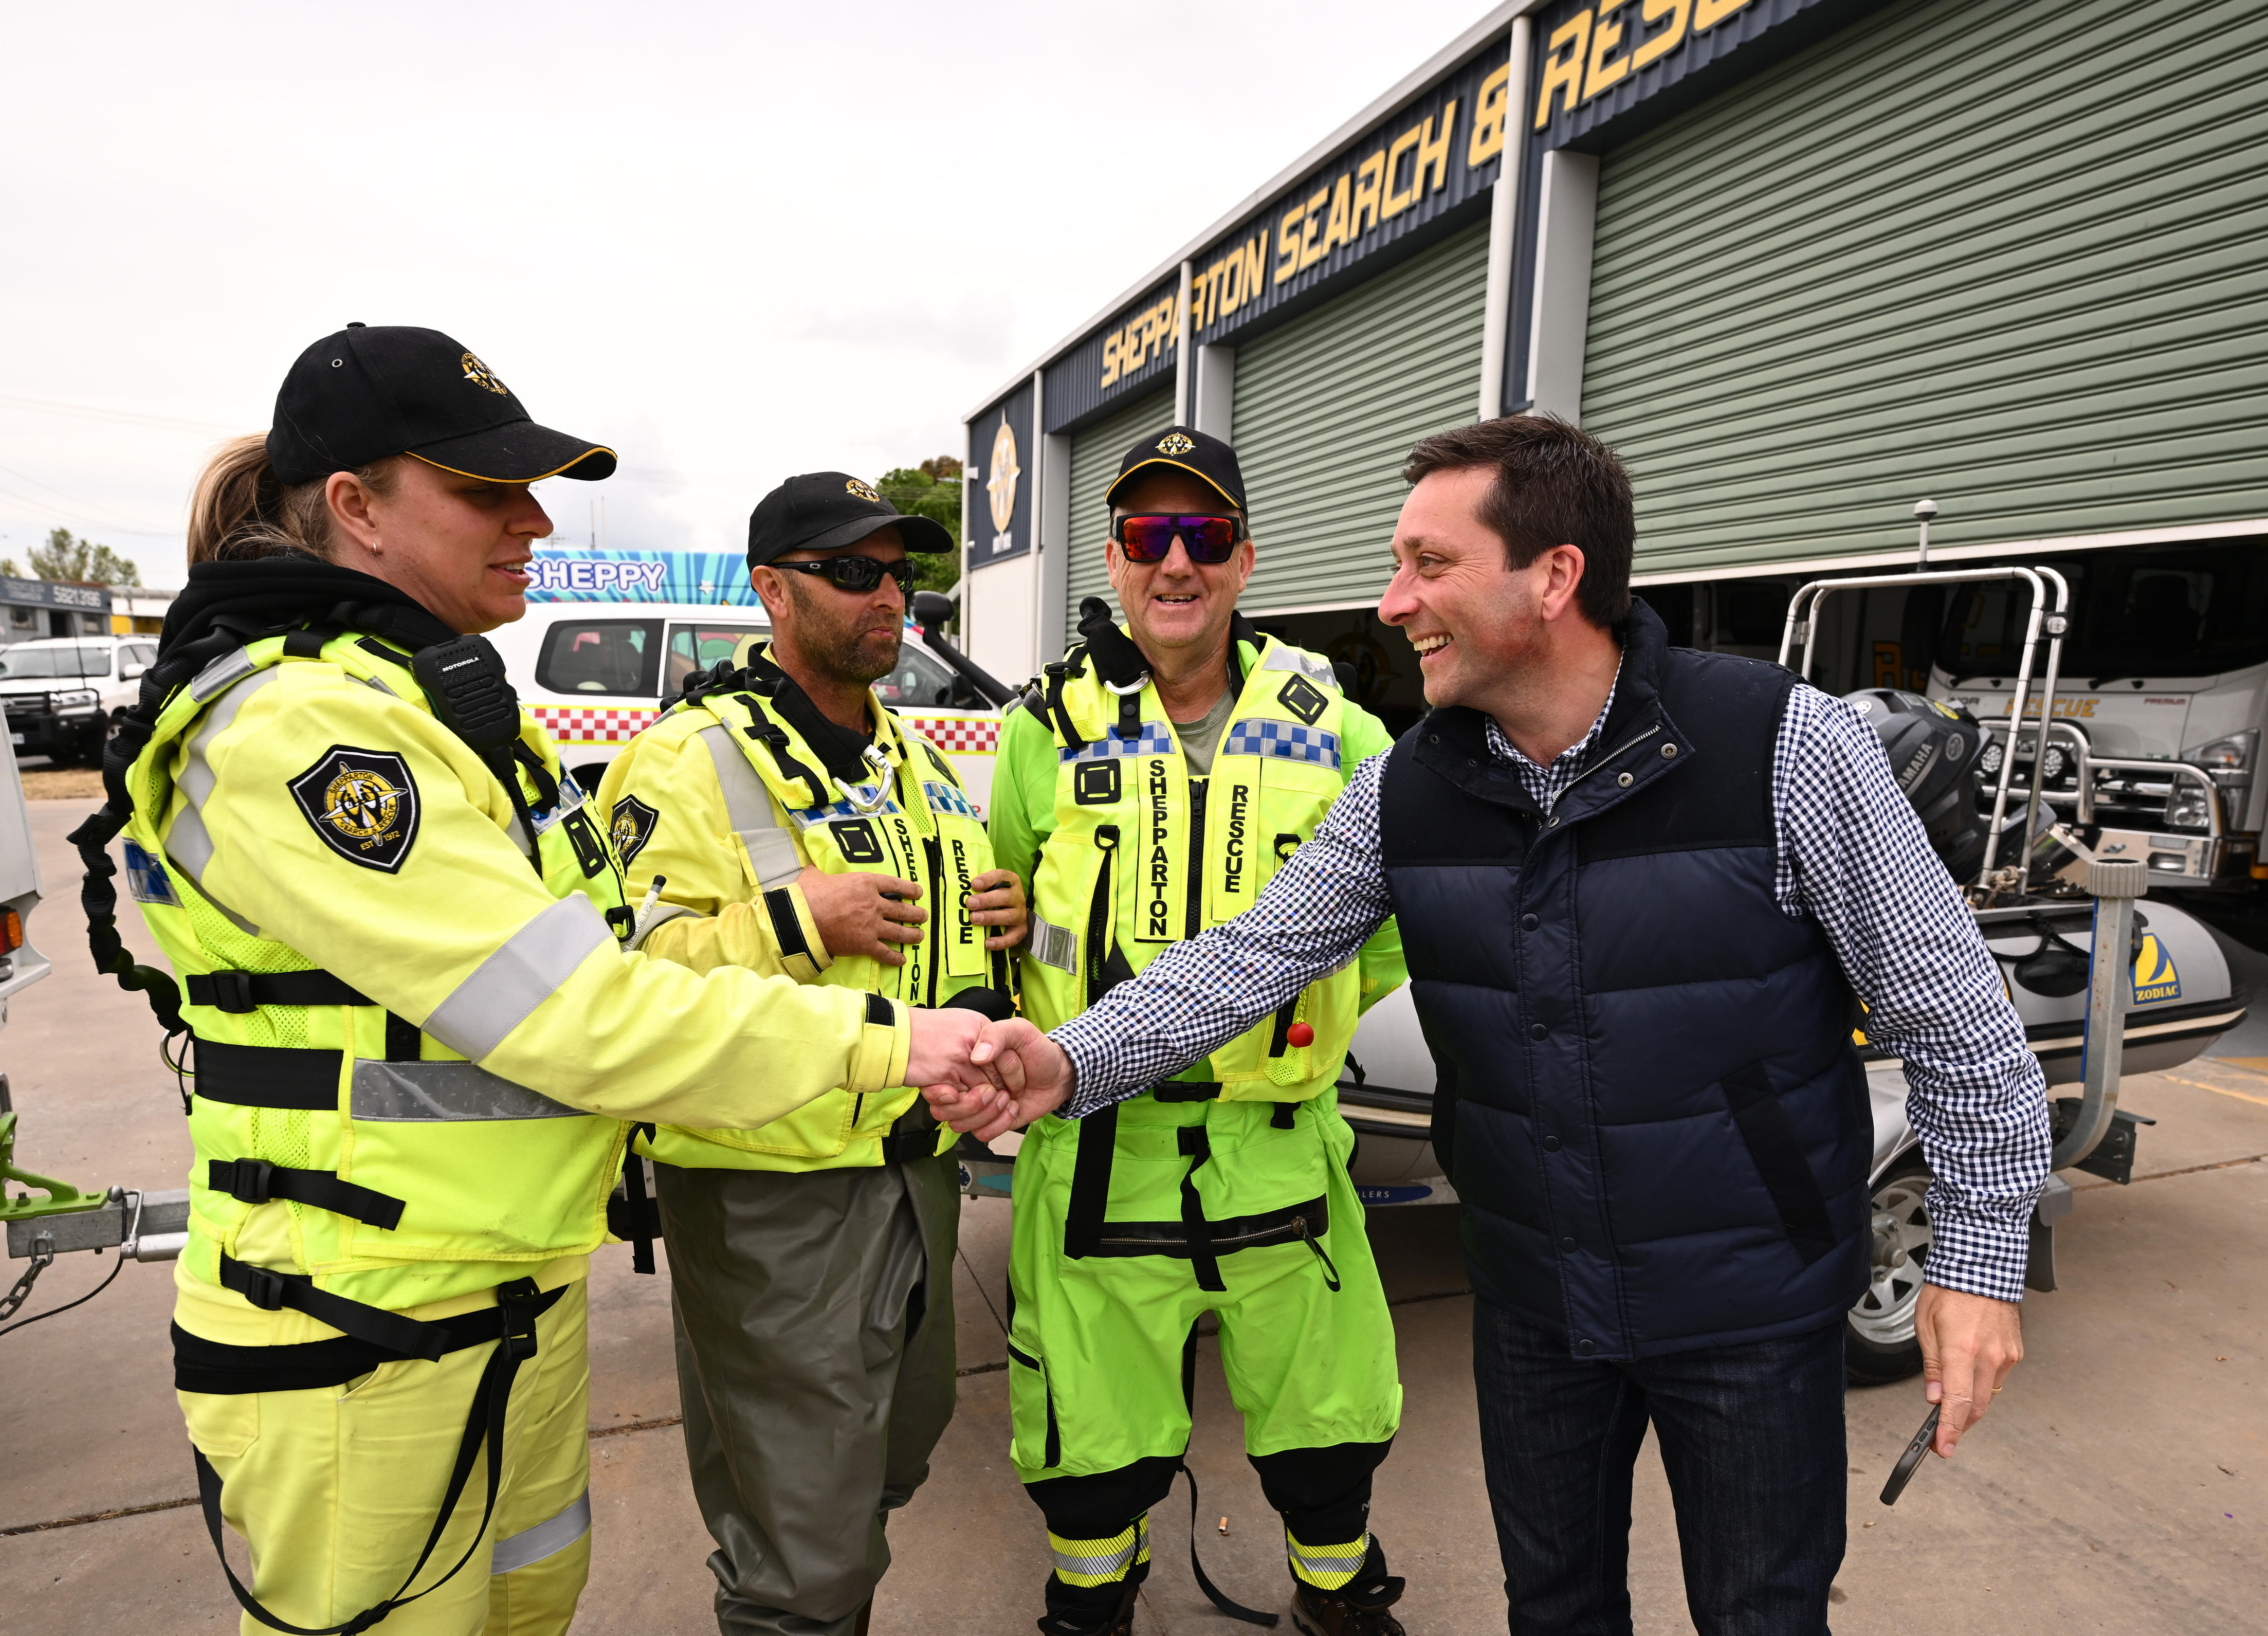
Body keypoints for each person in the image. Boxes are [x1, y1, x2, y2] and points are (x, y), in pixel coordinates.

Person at [953, 413, 2051, 1636]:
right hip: (1534, 1297)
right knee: (1556, 1607)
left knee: (1760, 1612)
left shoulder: (1782, 745)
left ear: (1554, 575)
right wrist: (1063, 1058)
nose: (1389, 602)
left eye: (1427, 565)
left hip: (1744, 1296)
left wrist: (1977, 1258)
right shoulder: (1409, 784)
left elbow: (1957, 1017)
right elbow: (1249, 957)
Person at [72, 325, 1005, 1636]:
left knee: (528, 1608)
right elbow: (580, 1009)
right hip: (359, 1320)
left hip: (499, 1289)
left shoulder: (433, 703)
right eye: (483, 490)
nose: (534, 519)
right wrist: (889, 1042)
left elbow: (602, 956)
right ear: (356, 509)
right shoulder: (305, 727)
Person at [985, 426, 1408, 1636]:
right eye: (1147, 537)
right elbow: (1003, 907)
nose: (1176, 564)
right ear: (1114, 561)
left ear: (1244, 559)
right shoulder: (1041, 728)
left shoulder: (1336, 724)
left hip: (1278, 1138)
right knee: (1086, 1427)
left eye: (1204, 536)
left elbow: (1387, 932)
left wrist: (1294, 1028)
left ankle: (1335, 1590)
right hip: (1096, 1149)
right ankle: (1091, 1593)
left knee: (1328, 1410)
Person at [591, 470, 1029, 1636]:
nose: (887, 595)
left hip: (914, 1168)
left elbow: (947, 952)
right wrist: (795, 919)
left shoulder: (916, 762)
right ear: (771, 590)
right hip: (764, 1192)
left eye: (899, 573)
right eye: (852, 571)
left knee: (899, 1442)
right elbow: (621, 985)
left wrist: (1005, 940)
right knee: (804, 1541)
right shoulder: (687, 759)